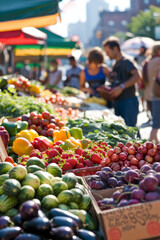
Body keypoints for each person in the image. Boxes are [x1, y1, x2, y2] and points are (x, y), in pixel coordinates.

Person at [102, 36, 141, 127]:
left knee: (131, 131)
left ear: (115, 49)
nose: (107, 55)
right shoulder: (115, 63)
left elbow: (137, 76)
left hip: (128, 101)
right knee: (122, 131)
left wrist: (121, 87)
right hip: (118, 102)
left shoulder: (126, 61)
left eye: (108, 52)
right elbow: (116, 80)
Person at [144, 43, 160, 144]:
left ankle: (155, 144)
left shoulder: (148, 62)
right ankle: (151, 144)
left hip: (150, 94)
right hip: (158, 95)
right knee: (156, 124)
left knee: (156, 121)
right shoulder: (158, 61)